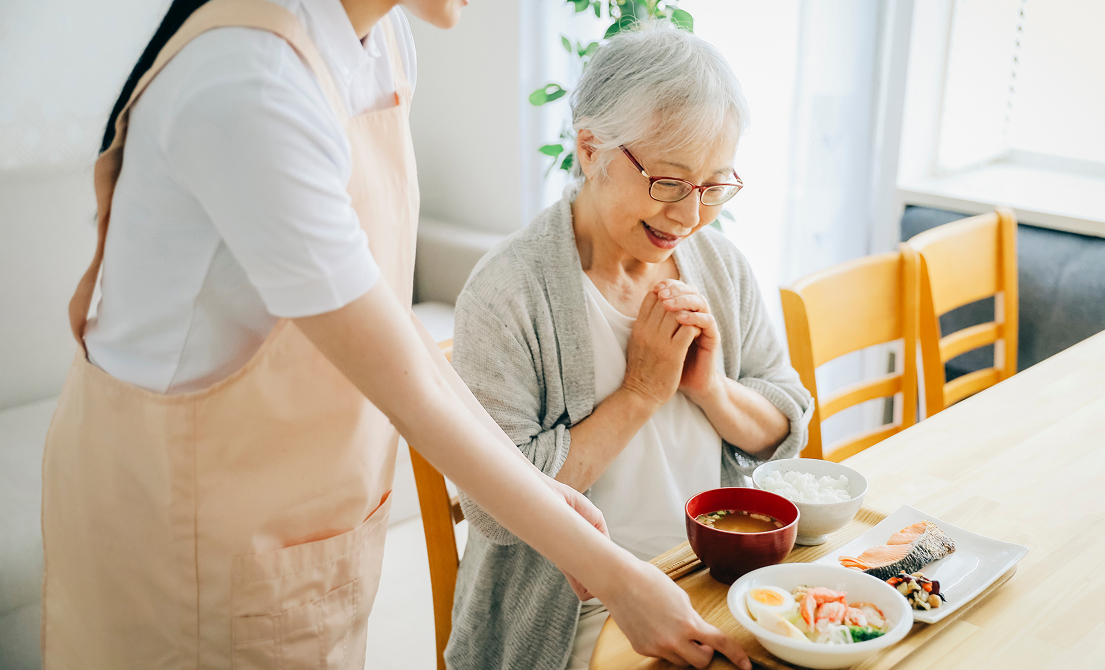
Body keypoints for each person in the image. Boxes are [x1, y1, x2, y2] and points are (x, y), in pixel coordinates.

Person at [39, 1, 752, 668]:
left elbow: (388, 321)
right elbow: (408, 391)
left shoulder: (378, 42)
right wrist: (613, 575)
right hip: (186, 530)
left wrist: (547, 502)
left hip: (306, 513)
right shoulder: (248, 83)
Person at [446, 21, 815, 670]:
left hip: (713, 574)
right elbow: (498, 509)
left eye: (714, 186)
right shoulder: (507, 293)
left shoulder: (719, 265)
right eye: (668, 182)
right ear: (590, 149)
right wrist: (642, 390)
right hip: (578, 612)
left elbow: (786, 418)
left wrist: (710, 390)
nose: (689, 215)